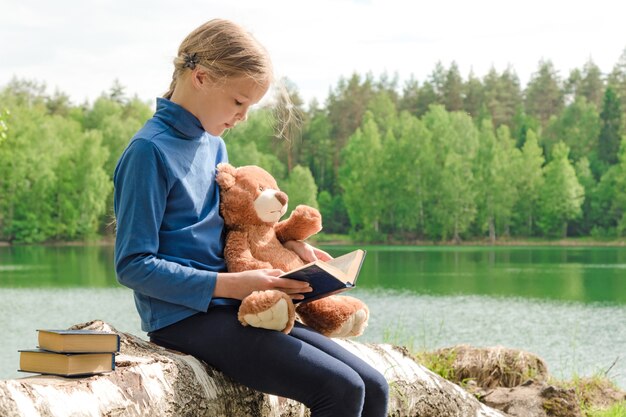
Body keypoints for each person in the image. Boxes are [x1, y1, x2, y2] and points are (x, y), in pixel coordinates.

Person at [113, 19, 389, 417]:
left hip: (238, 306)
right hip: (186, 320)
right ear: (201, 78)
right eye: (239, 102)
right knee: (339, 389)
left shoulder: (214, 144)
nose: (242, 116)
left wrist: (286, 244)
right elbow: (132, 265)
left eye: (249, 107)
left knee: (374, 386)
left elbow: (234, 227)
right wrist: (233, 284)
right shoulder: (148, 152)